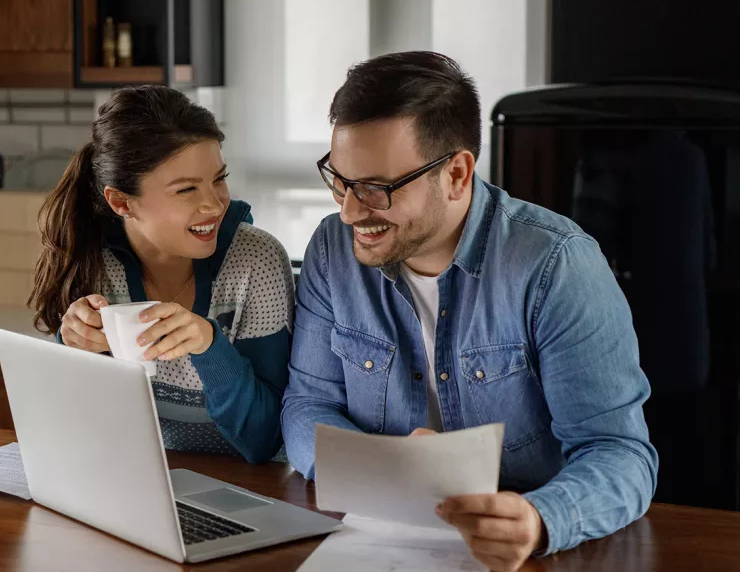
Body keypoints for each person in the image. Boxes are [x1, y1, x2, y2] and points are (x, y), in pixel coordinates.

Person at [281, 52, 657, 572]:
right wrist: (388, 470)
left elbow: (619, 453)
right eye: (339, 181)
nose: (349, 211)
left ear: (456, 173)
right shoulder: (332, 248)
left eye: (376, 188)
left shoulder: (556, 265)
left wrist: (538, 518)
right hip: (377, 541)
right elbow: (306, 406)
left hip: (520, 550)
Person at [30, 85, 294, 463]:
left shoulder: (256, 261)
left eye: (219, 179)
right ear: (121, 202)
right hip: (139, 483)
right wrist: (70, 348)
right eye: (186, 189)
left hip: (248, 487)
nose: (215, 204)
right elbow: (74, 431)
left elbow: (265, 440)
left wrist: (209, 346)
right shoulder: (92, 260)